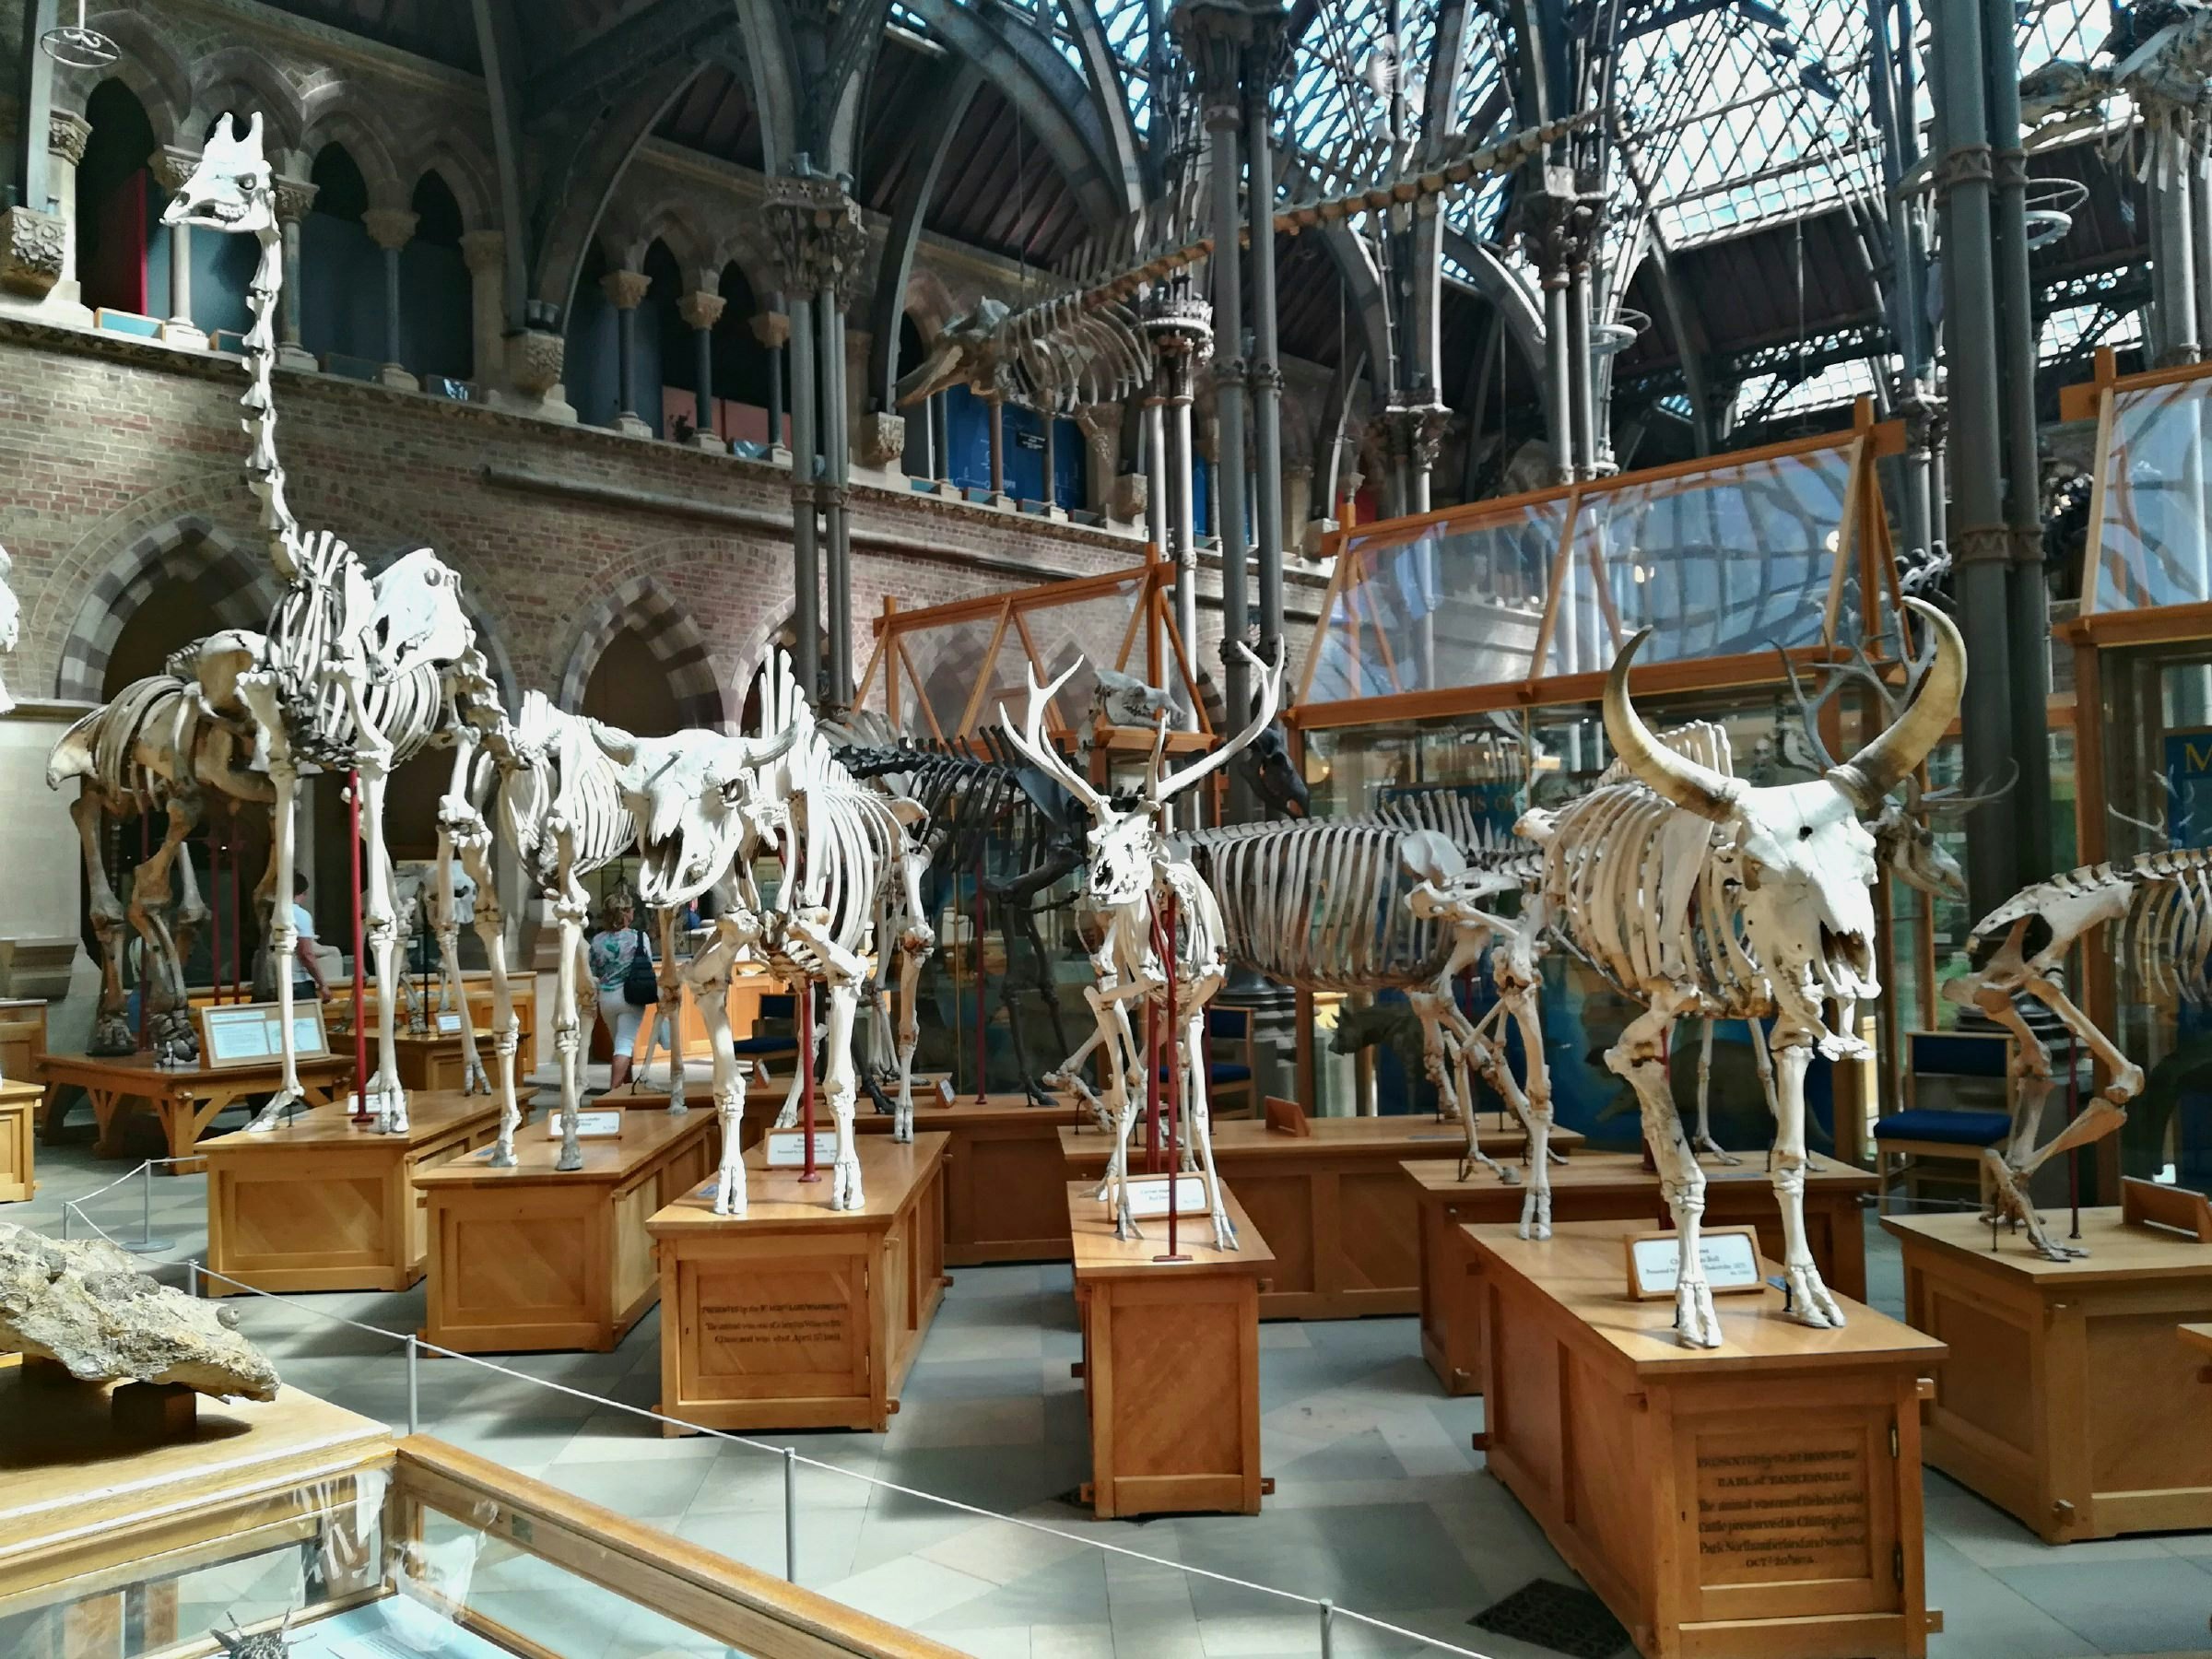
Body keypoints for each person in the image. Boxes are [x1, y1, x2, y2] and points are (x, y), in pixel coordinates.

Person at [587, 897, 652, 1090]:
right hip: (631, 995)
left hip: (606, 998)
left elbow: (592, 969)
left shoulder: (597, 940)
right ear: (627, 913)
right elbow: (647, 963)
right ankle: (614, 1091)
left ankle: (628, 1086)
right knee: (624, 1043)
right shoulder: (638, 937)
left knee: (620, 1042)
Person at [289, 873, 331, 1004]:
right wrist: (322, 984)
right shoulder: (300, 915)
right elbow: (306, 953)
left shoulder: (269, 912)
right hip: (297, 982)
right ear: (304, 892)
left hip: (270, 980)